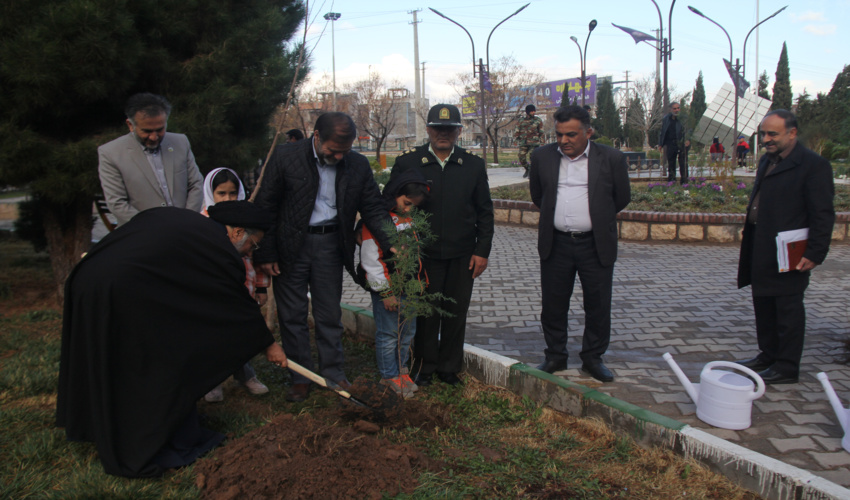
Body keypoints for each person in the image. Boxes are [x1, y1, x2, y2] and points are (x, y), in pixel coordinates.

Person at [56, 202, 288, 478]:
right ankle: (141, 441)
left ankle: (106, 424)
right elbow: (236, 306)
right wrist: (269, 345)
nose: (251, 251)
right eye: (254, 244)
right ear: (238, 232)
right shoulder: (217, 250)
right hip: (117, 291)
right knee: (147, 365)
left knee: (111, 359)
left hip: (90, 280)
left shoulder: (193, 227)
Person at [253, 112, 393, 402]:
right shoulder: (285, 156)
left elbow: (373, 208)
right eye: (333, 150)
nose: (339, 157)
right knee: (292, 315)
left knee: (329, 314)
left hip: (331, 245)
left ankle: (333, 372)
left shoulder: (356, 164)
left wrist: (393, 241)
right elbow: (266, 206)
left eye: (345, 151)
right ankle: (301, 377)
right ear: (315, 136)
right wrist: (266, 252)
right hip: (290, 246)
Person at [389, 104, 494, 387]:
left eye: (449, 129)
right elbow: (391, 206)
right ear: (428, 129)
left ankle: (449, 367)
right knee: (424, 313)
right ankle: (423, 365)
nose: (443, 133)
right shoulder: (408, 163)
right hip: (423, 254)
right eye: (438, 128)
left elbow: (484, 211)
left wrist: (481, 251)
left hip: (462, 254)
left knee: (456, 311)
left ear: (459, 131)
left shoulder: (472, 164)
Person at [529, 105, 631, 383]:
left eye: (571, 135)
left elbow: (621, 197)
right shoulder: (542, 157)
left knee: (598, 305)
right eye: (559, 135)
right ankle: (555, 356)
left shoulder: (611, 158)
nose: (564, 141)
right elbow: (539, 195)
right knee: (553, 304)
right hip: (557, 244)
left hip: (595, 245)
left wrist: (593, 217)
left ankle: (593, 358)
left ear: (588, 132)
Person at [735, 110, 835, 385]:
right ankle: (768, 355)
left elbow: (823, 214)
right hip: (761, 244)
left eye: (772, 134)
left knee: (787, 308)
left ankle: (787, 366)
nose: (766, 139)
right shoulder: (768, 161)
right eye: (763, 133)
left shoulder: (813, 166)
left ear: (792, 133)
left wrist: (815, 252)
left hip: (791, 251)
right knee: (764, 302)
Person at [358, 169, 430, 398]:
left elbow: (415, 255)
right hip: (388, 291)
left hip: (410, 290)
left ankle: (402, 371)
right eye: (406, 203)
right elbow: (371, 261)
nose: (408, 209)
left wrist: (419, 282)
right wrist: (385, 292)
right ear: (394, 194)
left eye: (412, 206)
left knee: (407, 333)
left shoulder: (407, 219)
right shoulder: (377, 221)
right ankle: (389, 375)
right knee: (389, 334)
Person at [199, 168, 270, 402]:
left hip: (244, 290)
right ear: (211, 193)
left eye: (232, 193)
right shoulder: (206, 224)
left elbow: (255, 259)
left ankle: (246, 375)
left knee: (241, 336)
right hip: (216, 295)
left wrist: (260, 287)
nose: (228, 199)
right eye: (221, 194)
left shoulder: (247, 221)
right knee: (214, 338)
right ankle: (212, 382)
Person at [98, 93, 204, 226]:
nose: (154, 137)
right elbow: (117, 203)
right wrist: (155, 228)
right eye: (147, 131)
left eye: (160, 130)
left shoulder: (181, 142)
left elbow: (196, 184)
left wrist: (186, 220)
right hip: (142, 235)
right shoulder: (111, 153)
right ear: (130, 125)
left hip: (185, 229)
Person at [658, 102, 690, 183]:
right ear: (671, 109)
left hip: (681, 143)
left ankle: (684, 181)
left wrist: (688, 139)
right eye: (675, 108)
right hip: (670, 143)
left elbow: (689, 130)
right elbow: (663, 131)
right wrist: (660, 144)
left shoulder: (684, 118)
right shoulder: (666, 119)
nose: (677, 110)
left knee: (683, 163)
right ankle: (672, 181)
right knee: (671, 163)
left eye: (678, 108)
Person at [515, 104, 545, 179]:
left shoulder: (538, 120)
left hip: (534, 143)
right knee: (521, 157)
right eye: (532, 111)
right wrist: (516, 140)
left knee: (532, 157)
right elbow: (517, 131)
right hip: (523, 142)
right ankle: (527, 169)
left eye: (534, 111)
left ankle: (532, 172)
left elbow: (541, 132)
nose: (533, 112)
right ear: (528, 112)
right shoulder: (521, 120)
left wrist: (542, 142)